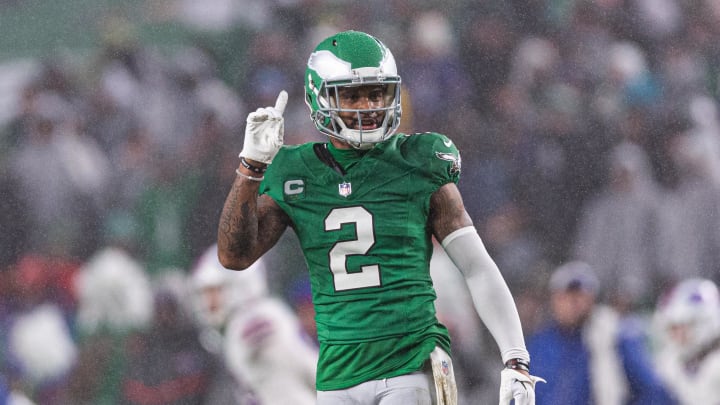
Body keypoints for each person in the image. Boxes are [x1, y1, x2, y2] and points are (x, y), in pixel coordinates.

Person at [217, 30, 543, 404]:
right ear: (318, 97)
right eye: (352, 95)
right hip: (337, 373)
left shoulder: (418, 160)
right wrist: (250, 169)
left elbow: (476, 266)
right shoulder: (295, 171)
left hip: (411, 365)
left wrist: (516, 357)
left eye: (376, 93)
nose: (368, 106)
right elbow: (234, 256)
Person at [526, 261, 676, 405]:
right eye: (566, 296)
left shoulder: (613, 336)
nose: (573, 303)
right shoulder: (539, 344)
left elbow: (653, 391)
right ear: (554, 299)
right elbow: (522, 394)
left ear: (592, 300)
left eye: (580, 296)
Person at [189, 244, 318, 404]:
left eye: (214, 292)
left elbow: (284, 391)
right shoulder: (260, 315)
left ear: (239, 285)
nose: (207, 303)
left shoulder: (253, 323)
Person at [653, 278, 720, 404]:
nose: (674, 336)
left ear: (703, 323)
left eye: (681, 327)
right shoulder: (670, 361)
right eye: (671, 329)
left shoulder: (715, 364)